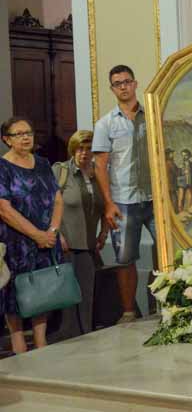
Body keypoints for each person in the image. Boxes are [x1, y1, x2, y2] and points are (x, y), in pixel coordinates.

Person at [92, 65, 157, 324]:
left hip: (154, 198)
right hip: (122, 200)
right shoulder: (105, 124)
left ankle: (169, 306)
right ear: (112, 88)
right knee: (125, 258)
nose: (123, 86)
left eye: (127, 81)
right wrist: (108, 203)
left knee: (165, 254)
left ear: (135, 83)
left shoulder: (151, 116)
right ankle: (129, 312)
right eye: (117, 83)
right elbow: (100, 166)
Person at [0, 116, 67, 353]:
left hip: (46, 238)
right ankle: (18, 341)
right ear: (6, 139)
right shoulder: (3, 167)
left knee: (43, 287)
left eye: (28, 132)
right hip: (16, 240)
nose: (26, 137)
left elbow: (57, 199)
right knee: (14, 292)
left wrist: (52, 231)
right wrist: (36, 234)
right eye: (19, 134)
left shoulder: (42, 163)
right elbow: (4, 210)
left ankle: (40, 339)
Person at [51, 130, 106, 339]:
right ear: (72, 150)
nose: (84, 153)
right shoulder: (61, 171)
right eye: (79, 148)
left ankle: (85, 335)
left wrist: (104, 232)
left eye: (88, 149)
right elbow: (49, 205)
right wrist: (57, 234)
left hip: (89, 245)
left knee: (86, 294)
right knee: (68, 295)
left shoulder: (97, 173)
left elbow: (104, 205)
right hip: (67, 243)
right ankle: (70, 336)